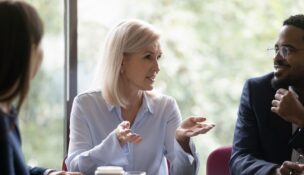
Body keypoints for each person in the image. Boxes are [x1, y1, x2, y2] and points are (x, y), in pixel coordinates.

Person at [65, 19, 215, 175]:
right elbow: (74, 169)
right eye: (148, 57)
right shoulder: (85, 105)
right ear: (122, 61)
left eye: (158, 57)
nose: (157, 67)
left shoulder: (166, 107)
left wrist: (182, 142)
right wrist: (114, 142)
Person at [0, 1, 82, 175]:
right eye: (38, 43)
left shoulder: (7, 110)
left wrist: (51, 174)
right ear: (24, 51)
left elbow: (16, 168)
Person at [230, 14, 304, 175]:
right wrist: (276, 172)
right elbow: (240, 158)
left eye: (287, 50)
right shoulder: (257, 91)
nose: (277, 58)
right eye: (277, 49)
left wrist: (301, 118)